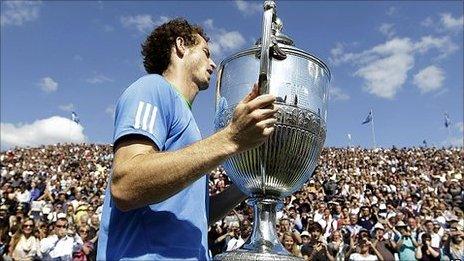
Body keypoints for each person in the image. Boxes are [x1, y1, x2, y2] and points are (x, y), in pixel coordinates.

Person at [97, 18, 278, 260]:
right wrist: (231, 138)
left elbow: (197, 215)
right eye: (205, 52)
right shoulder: (152, 88)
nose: (212, 63)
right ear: (181, 45)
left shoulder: (191, 126)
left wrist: (249, 185)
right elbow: (126, 184)